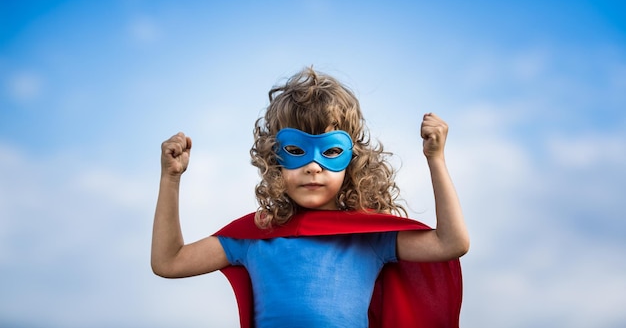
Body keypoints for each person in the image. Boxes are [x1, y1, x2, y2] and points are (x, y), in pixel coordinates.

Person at [151, 67, 469, 328]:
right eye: (296, 151)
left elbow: (451, 243)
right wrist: (171, 178)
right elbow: (169, 261)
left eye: (330, 151)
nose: (313, 166)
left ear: (352, 159)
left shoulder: (369, 238)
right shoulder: (254, 236)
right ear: (274, 158)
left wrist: (436, 160)